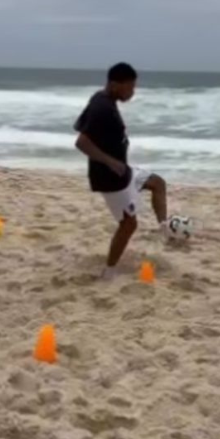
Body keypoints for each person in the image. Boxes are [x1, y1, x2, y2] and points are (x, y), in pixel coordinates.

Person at [74, 63, 173, 279]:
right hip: (111, 179)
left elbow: (79, 125)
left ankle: (164, 228)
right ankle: (109, 271)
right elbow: (81, 142)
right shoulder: (102, 108)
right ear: (115, 84)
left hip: (124, 171)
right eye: (130, 87)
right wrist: (109, 161)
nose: (132, 92)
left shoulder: (101, 99)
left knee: (158, 183)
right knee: (129, 225)